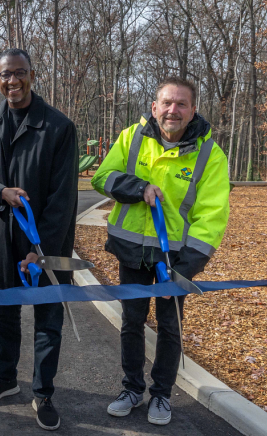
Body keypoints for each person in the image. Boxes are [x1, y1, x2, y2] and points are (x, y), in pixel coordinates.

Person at [91, 76, 229, 426]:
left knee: (170, 326)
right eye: (167, 103)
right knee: (132, 322)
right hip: (131, 252)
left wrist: (185, 270)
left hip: (175, 260)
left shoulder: (209, 155)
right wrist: (138, 187)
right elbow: (102, 176)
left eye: (181, 104)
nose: (173, 110)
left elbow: (211, 217)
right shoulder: (131, 138)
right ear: (154, 108)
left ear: (193, 110)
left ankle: (162, 396)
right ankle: (132, 389)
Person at [0, 49, 77, 431]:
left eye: (19, 73)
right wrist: (0, 192)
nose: (12, 81)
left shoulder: (59, 127)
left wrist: (38, 247)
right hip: (2, 235)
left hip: (48, 243)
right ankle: (6, 380)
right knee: (5, 312)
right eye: (4, 75)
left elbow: (64, 198)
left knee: (48, 319)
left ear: (33, 75)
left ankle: (43, 393)